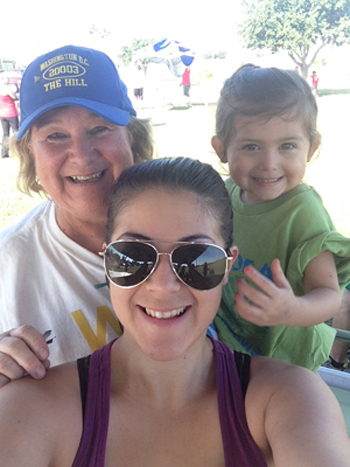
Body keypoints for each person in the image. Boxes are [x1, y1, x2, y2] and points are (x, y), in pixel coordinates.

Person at [0, 157, 349, 467]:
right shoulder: (29, 409)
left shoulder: (289, 399)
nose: (163, 286)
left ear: (228, 266)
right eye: (134, 256)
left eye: (197, 259)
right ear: (107, 261)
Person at [0, 45, 153, 387]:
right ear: (30, 151)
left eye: (100, 129)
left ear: (133, 135)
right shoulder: (8, 265)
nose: (82, 157)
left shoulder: (191, 230)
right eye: (55, 136)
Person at [211, 64, 350, 372]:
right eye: (251, 146)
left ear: (311, 148)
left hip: (284, 359)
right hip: (229, 341)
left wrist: (291, 308)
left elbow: (329, 296)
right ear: (222, 149)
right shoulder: (225, 194)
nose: (270, 164)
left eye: (287, 146)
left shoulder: (303, 212)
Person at [0, 75, 19, 158]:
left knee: (5, 134)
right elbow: (14, 97)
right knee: (16, 132)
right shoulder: (7, 88)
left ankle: (4, 153)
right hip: (11, 113)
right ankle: (19, 151)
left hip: (2, 114)